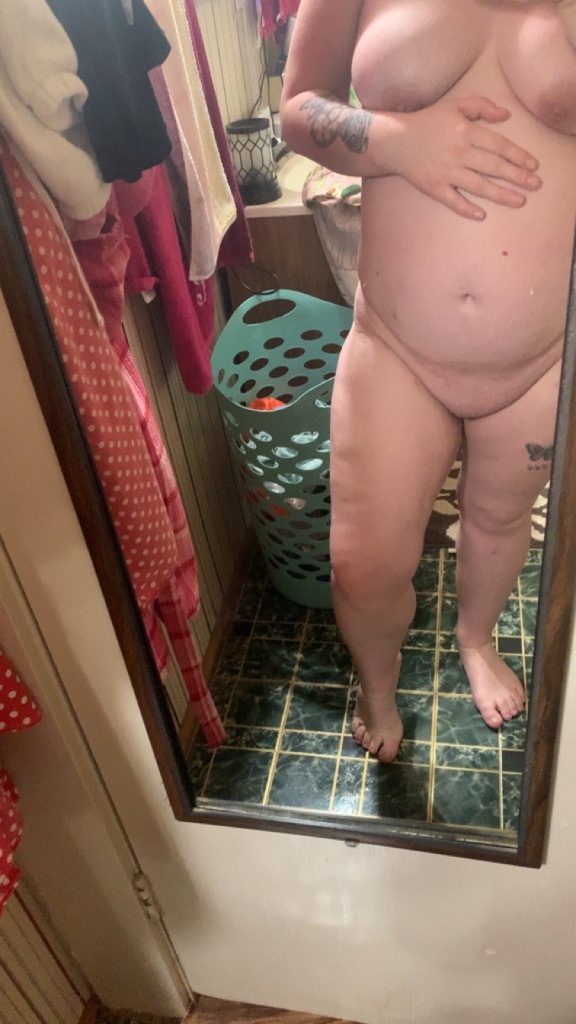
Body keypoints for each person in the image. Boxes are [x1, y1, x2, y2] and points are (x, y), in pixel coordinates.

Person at [280, 0, 576, 761]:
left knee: (500, 521)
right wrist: (397, 141)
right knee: (364, 566)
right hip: (396, 346)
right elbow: (297, 108)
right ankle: (377, 686)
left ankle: (475, 639)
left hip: (544, 356)